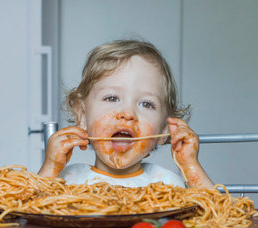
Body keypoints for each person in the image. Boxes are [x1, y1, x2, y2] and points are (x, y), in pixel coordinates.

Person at [38, 39, 214, 189]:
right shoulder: (65, 180)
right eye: (112, 98)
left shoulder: (167, 183)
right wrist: (50, 167)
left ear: (164, 130)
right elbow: (27, 215)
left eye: (146, 104)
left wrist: (190, 166)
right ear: (82, 115)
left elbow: (218, 216)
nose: (128, 113)